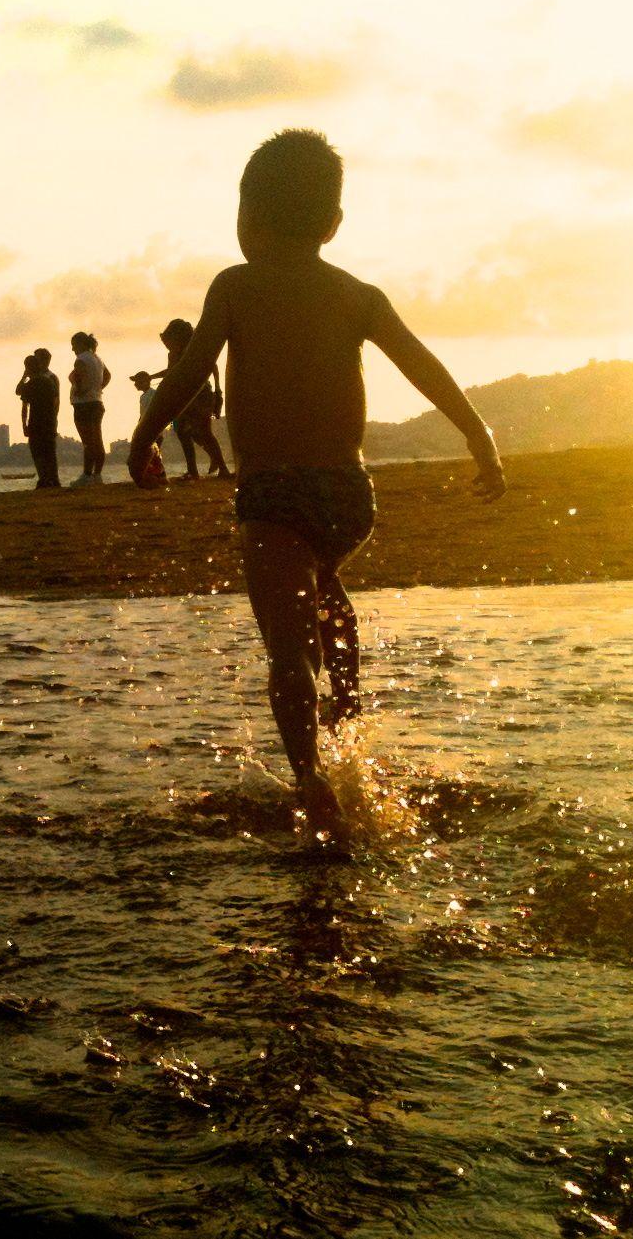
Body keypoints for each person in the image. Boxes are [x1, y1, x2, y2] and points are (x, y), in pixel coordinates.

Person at [127, 129, 506, 852]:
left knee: (286, 649)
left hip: (272, 494)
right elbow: (424, 365)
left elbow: (187, 374)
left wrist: (145, 439)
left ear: (247, 220)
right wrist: (478, 434)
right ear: (333, 224)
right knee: (321, 584)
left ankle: (312, 784)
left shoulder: (234, 286)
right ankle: (350, 707)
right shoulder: (358, 294)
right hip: (348, 495)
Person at [159, 317, 231, 479]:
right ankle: (194, 470)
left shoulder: (194, 350)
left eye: (168, 340)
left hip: (201, 393)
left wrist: (218, 391)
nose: (166, 344)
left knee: (204, 432)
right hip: (183, 395)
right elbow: (171, 373)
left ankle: (223, 468)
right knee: (183, 432)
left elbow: (213, 366)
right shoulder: (173, 355)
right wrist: (152, 376)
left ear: (177, 338)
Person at [15, 348, 62, 488]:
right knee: (50, 452)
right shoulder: (49, 381)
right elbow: (56, 400)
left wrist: (24, 376)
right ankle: (53, 480)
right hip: (49, 421)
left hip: (36, 421)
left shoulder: (32, 383)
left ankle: (44, 479)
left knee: (38, 452)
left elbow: (20, 395)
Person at [68, 331, 111, 484]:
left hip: (83, 404)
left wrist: (80, 390)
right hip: (97, 402)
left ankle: (86, 475)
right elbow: (107, 375)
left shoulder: (81, 359)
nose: (73, 349)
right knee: (97, 440)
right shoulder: (97, 359)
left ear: (80, 344)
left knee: (88, 441)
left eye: (74, 346)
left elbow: (79, 375)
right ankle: (97, 475)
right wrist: (99, 388)